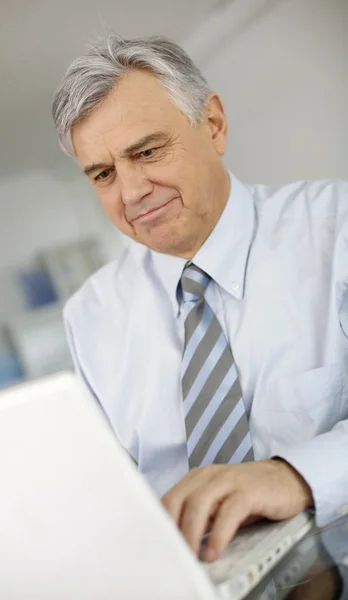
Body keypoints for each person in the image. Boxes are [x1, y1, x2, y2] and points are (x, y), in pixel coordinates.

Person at [52, 34, 348, 563]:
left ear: (213, 124)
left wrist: (295, 476)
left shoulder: (338, 229)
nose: (131, 191)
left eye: (146, 152)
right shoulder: (90, 316)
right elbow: (112, 496)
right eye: (102, 174)